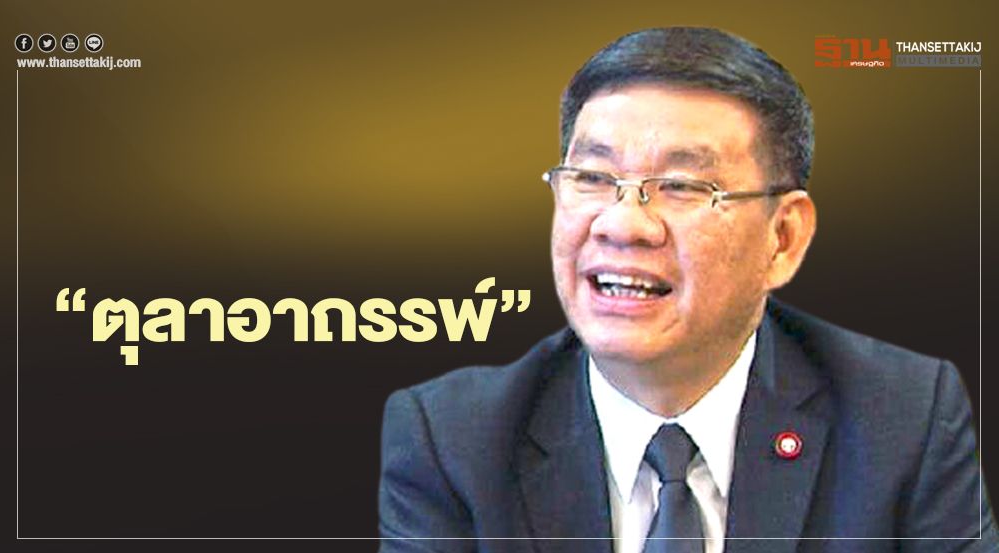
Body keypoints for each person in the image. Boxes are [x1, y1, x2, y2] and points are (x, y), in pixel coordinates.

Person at [377, 27, 995, 552]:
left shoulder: (903, 419)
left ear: (783, 238)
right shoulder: (452, 439)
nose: (622, 224)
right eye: (592, 177)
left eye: (681, 186)